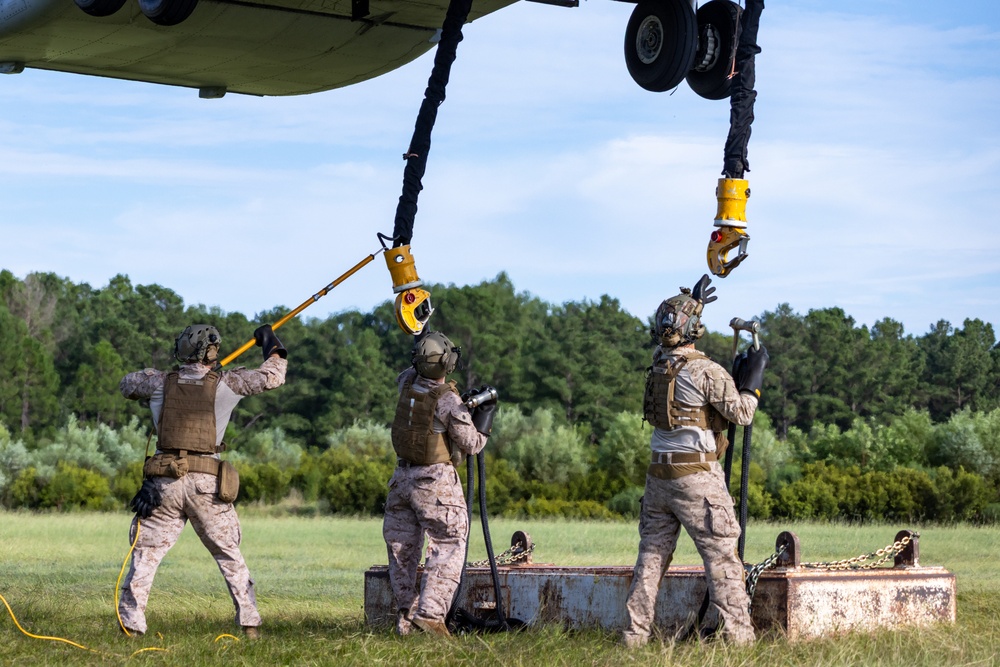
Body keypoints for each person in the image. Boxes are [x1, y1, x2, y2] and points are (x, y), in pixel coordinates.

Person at [622, 275, 768, 648]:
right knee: (722, 557)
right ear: (694, 330)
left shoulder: (659, 363)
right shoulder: (706, 371)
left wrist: (693, 301)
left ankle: (634, 636)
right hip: (696, 478)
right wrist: (752, 382)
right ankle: (740, 638)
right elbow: (741, 414)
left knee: (651, 558)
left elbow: (674, 323)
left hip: (659, 476)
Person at [117, 323, 288, 639]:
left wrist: (168, 374)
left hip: (163, 483)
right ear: (213, 351)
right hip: (207, 485)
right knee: (229, 556)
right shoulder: (228, 383)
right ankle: (249, 624)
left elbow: (127, 385)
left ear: (180, 349)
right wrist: (271, 344)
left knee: (144, 556)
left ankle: (131, 626)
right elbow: (273, 377)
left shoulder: (159, 383)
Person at [382, 331, 496, 638]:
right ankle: (431, 616)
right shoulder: (447, 399)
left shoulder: (405, 381)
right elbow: (471, 444)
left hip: (401, 481)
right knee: (448, 544)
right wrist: (486, 416)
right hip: (434, 483)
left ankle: (406, 619)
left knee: (402, 552)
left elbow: (416, 369)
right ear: (447, 363)